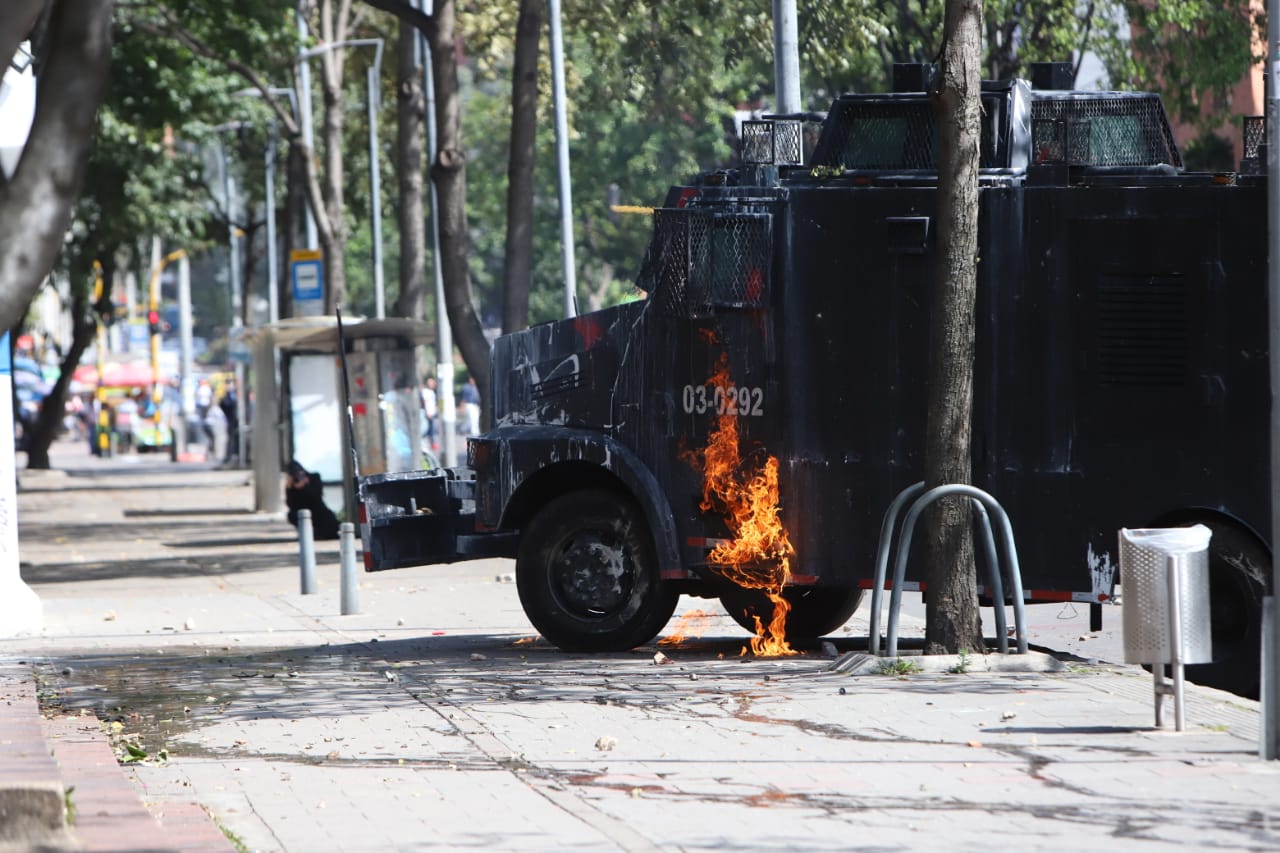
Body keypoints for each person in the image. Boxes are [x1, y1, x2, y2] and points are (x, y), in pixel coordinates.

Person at [284, 460, 340, 540]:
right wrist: (290, 489)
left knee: (327, 519)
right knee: (292, 515)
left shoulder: (314, 477)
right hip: (302, 511)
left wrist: (305, 486)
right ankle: (307, 533)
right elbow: (290, 504)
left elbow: (317, 496)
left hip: (317, 510)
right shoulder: (292, 486)